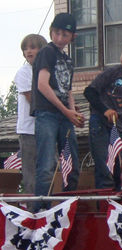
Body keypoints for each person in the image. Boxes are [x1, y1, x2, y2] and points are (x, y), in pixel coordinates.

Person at [31, 13, 83, 211]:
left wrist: (72, 112)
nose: (60, 38)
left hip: (63, 116)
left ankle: (67, 208)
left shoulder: (68, 60)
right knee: (46, 165)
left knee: (72, 164)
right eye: (57, 33)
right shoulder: (47, 52)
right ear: (51, 32)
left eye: (65, 35)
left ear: (72, 37)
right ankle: (39, 212)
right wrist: (65, 111)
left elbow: (67, 90)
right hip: (47, 114)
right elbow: (43, 85)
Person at [84, 38, 122, 190]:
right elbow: (89, 92)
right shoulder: (112, 73)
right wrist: (105, 110)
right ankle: (104, 204)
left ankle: (120, 202)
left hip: (118, 128)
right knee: (105, 165)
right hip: (99, 122)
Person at [14, 34, 47, 198]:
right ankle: (33, 210)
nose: (28, 51)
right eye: (25, 48)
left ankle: (48, 206)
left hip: (47, 128)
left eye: (33, 47)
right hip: (29, 129)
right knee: (31, 172)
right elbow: (32, 99)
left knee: (49, 169)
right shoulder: (24, 72)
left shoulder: (46, 71)